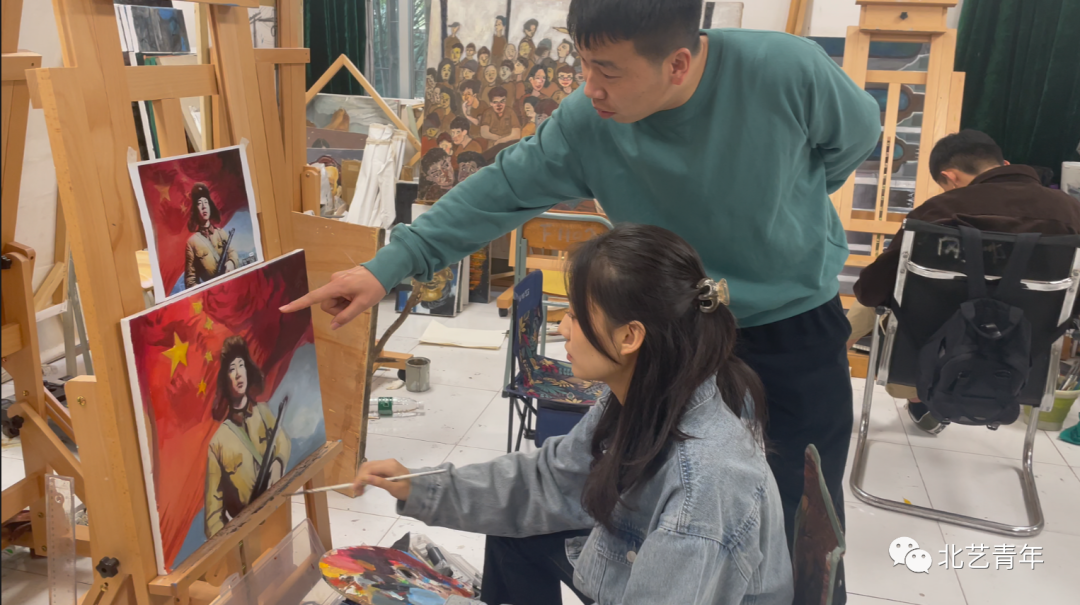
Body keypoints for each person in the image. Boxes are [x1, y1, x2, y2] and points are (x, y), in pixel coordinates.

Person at [281, 3, 880, 584]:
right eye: (583, 63)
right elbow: (499, 190)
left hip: (792, 331)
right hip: (668, 335)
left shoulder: (785, 70)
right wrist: (387, 267)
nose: (589, 87)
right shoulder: (587, 121)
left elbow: (855, 138)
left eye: (608, 71)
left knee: (794, 534)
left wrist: (783, 212)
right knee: (634, 502)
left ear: (677, 63)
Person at [353, 225, 793, 605]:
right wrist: (422, 486)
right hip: (633, 563)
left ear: (629, 337)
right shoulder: (644, 394)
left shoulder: (706, 485)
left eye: (578, 316)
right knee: (512, 531)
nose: (562, 327)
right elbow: (548, 481)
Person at [850, 130, 1080, 434]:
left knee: (870, 298)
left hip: (933, 353)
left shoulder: (938, 210)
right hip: (1026, 355)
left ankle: (834, 375)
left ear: (951, 176)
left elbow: (871, 291)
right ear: (1004, 164)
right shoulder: (1071, 211)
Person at [205, 336, 290, 537]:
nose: (238, 374)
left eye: (241, 365)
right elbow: (213, 515)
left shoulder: (264, 413)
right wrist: (231, 544)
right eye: (231, 369)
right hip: (244, 533)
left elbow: (282, 441)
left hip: (277, 513)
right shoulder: (218, 443)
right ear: (225, 380)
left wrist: (277, 463)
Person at [184, 183, 239, 289]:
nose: (204, 206)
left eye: (206, 202)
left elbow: (232, 253)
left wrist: (231, 263)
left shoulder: (221, 233)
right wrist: (206, 292)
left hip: (231, 285)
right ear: (195, 210)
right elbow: (190, 281)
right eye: (199, 203)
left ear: (210, 206)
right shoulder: (192, 243)